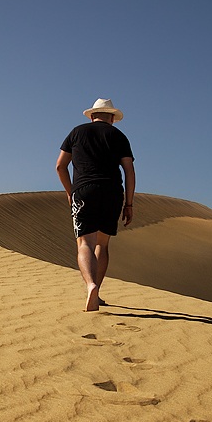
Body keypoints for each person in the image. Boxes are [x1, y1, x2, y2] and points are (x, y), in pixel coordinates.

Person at [56, 98, 135, 312]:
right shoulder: (118, 136)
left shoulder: (76, 133)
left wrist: (70, 191)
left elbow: (60, 166)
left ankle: (90, 285)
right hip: (112, 192)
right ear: (111, 118)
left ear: (92, 116)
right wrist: (129, 204)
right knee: (102, 244)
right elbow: (129, 171)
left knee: (85, 244)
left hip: (84, 190)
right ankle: (97, 290)